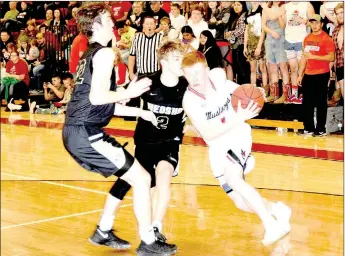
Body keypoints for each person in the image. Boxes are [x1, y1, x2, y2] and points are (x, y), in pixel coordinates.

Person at [62, 4, 176, 255]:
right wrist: (128, 92)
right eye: (107, 19)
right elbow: (97, 97)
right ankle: (148, 241)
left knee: (134, 177)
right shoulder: (102, 54)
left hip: (81, 130)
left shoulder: (91, 54)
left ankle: (103, 230)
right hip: (85, 132)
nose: (113, 22)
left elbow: (103, 104)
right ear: (95, 25)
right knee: (143, 178)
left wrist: (141, 111)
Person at [181, 51, 292, 246]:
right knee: (241, 203)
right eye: (189, 74)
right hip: (217, 144)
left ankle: (271, 226)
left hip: (238, 135)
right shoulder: (190, 100)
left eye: (198, 72)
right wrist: (236, 117)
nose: (195, 78)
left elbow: (239, 91)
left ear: (206, 70)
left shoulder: (217, 76)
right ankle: (277, 210)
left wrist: (256, 93)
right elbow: (208, 134)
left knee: (234, 178)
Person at [91, 41, 188, 250]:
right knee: (133, 181)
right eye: (176, 59)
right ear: (163, 62)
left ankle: (155, 227)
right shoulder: (147, 82)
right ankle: (105, 226)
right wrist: (125, 97)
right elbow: (122, 98)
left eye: (182, 58)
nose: (182, 63)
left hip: (170, 142)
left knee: (164, 176)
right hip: (145, 141)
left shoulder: (187, 85)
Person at [297, 14, 335, 137]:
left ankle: (320, 129)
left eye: (317, 23)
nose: (314, 25)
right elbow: (304, 57)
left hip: (321, 74)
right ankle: (308, 128)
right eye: (312, 23)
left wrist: (314, 56)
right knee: (307, 102)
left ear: (321, 24)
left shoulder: (326, 39)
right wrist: (300, 74)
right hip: (308, 74)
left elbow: (331, 57)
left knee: (320, 102)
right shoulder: (307, 38)